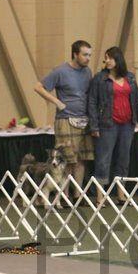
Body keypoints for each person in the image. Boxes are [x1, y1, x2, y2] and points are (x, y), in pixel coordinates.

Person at [34, 40, 94, 200]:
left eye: (89, 55)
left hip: (84, 119)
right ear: (75, 54)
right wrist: (56, 101)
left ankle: (78, 194)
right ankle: (63, 195)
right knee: (67, 159)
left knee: (82, 159)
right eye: (85, 55)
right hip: (65, 119)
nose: (88, 58)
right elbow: (38, 87)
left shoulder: (88, 72)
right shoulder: (60, 71)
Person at [88, 46, 138, 206]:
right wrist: (94, 126)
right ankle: (100, 196)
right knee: (103, 159)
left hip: (127, 125)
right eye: (105, 58)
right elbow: (92, 102)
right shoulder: (100, 79)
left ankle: (121, 195)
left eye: (109, 58)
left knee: (123, 159)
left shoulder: (131, 78)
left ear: (117, 60)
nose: (106, 61)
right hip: (107, 124)